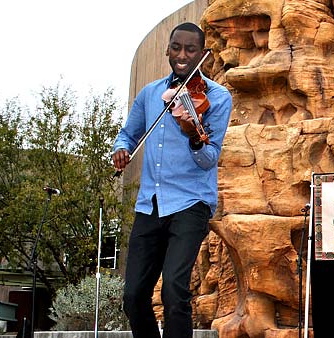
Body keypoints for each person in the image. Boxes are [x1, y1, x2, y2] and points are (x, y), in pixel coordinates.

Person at [112, 22, 232, 338]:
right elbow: (128, 134)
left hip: (191, 202)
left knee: (174, 292)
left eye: (190, 49)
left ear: (202, 53)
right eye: (176, 47)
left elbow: (209, 159)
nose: (182, 55)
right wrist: (121, 149)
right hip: (150, 203)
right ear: (167, 49)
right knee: (133, 296)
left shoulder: (217, 98)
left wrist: (194, 136)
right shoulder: (150, 94)